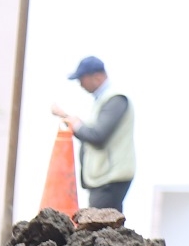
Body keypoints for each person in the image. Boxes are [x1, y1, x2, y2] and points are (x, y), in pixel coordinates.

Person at [52, 56, 134, 211]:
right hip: (104, 178)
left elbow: (97, 135)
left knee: (97, 225)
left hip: (110, 178)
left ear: (96, 77)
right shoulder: (104, 100)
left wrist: (77, 126)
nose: (80, 84)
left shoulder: (115, 99)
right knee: (107, 227)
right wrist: (70, 119)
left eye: (82, 79)